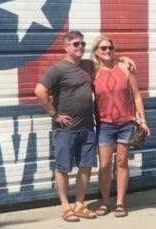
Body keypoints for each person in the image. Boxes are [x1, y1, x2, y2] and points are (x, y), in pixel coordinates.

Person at [35, 30, 100, 222]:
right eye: (76, 44)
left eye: (82, 44)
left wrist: (126, 60)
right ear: (66, 47)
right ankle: (65, 207)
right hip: (66, 130)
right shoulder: (58, 69)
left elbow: (108, 63)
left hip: (87, 128)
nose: (80, 47)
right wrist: (55, 114)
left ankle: (80, 204)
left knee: (86, 167)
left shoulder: (88, 66)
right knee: (63, 168)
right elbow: (39, 91)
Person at [90, 34, 149, 218]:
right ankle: (105, 202)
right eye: (103, 48)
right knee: (105, 165)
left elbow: (136, 96)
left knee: (122, 162)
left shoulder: (125, 68)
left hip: (126, 123)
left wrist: (142, 119)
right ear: (96, 52)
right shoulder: (92, 72)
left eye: (110, 48)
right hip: (104, 125)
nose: (107, 51)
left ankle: (120, 203)